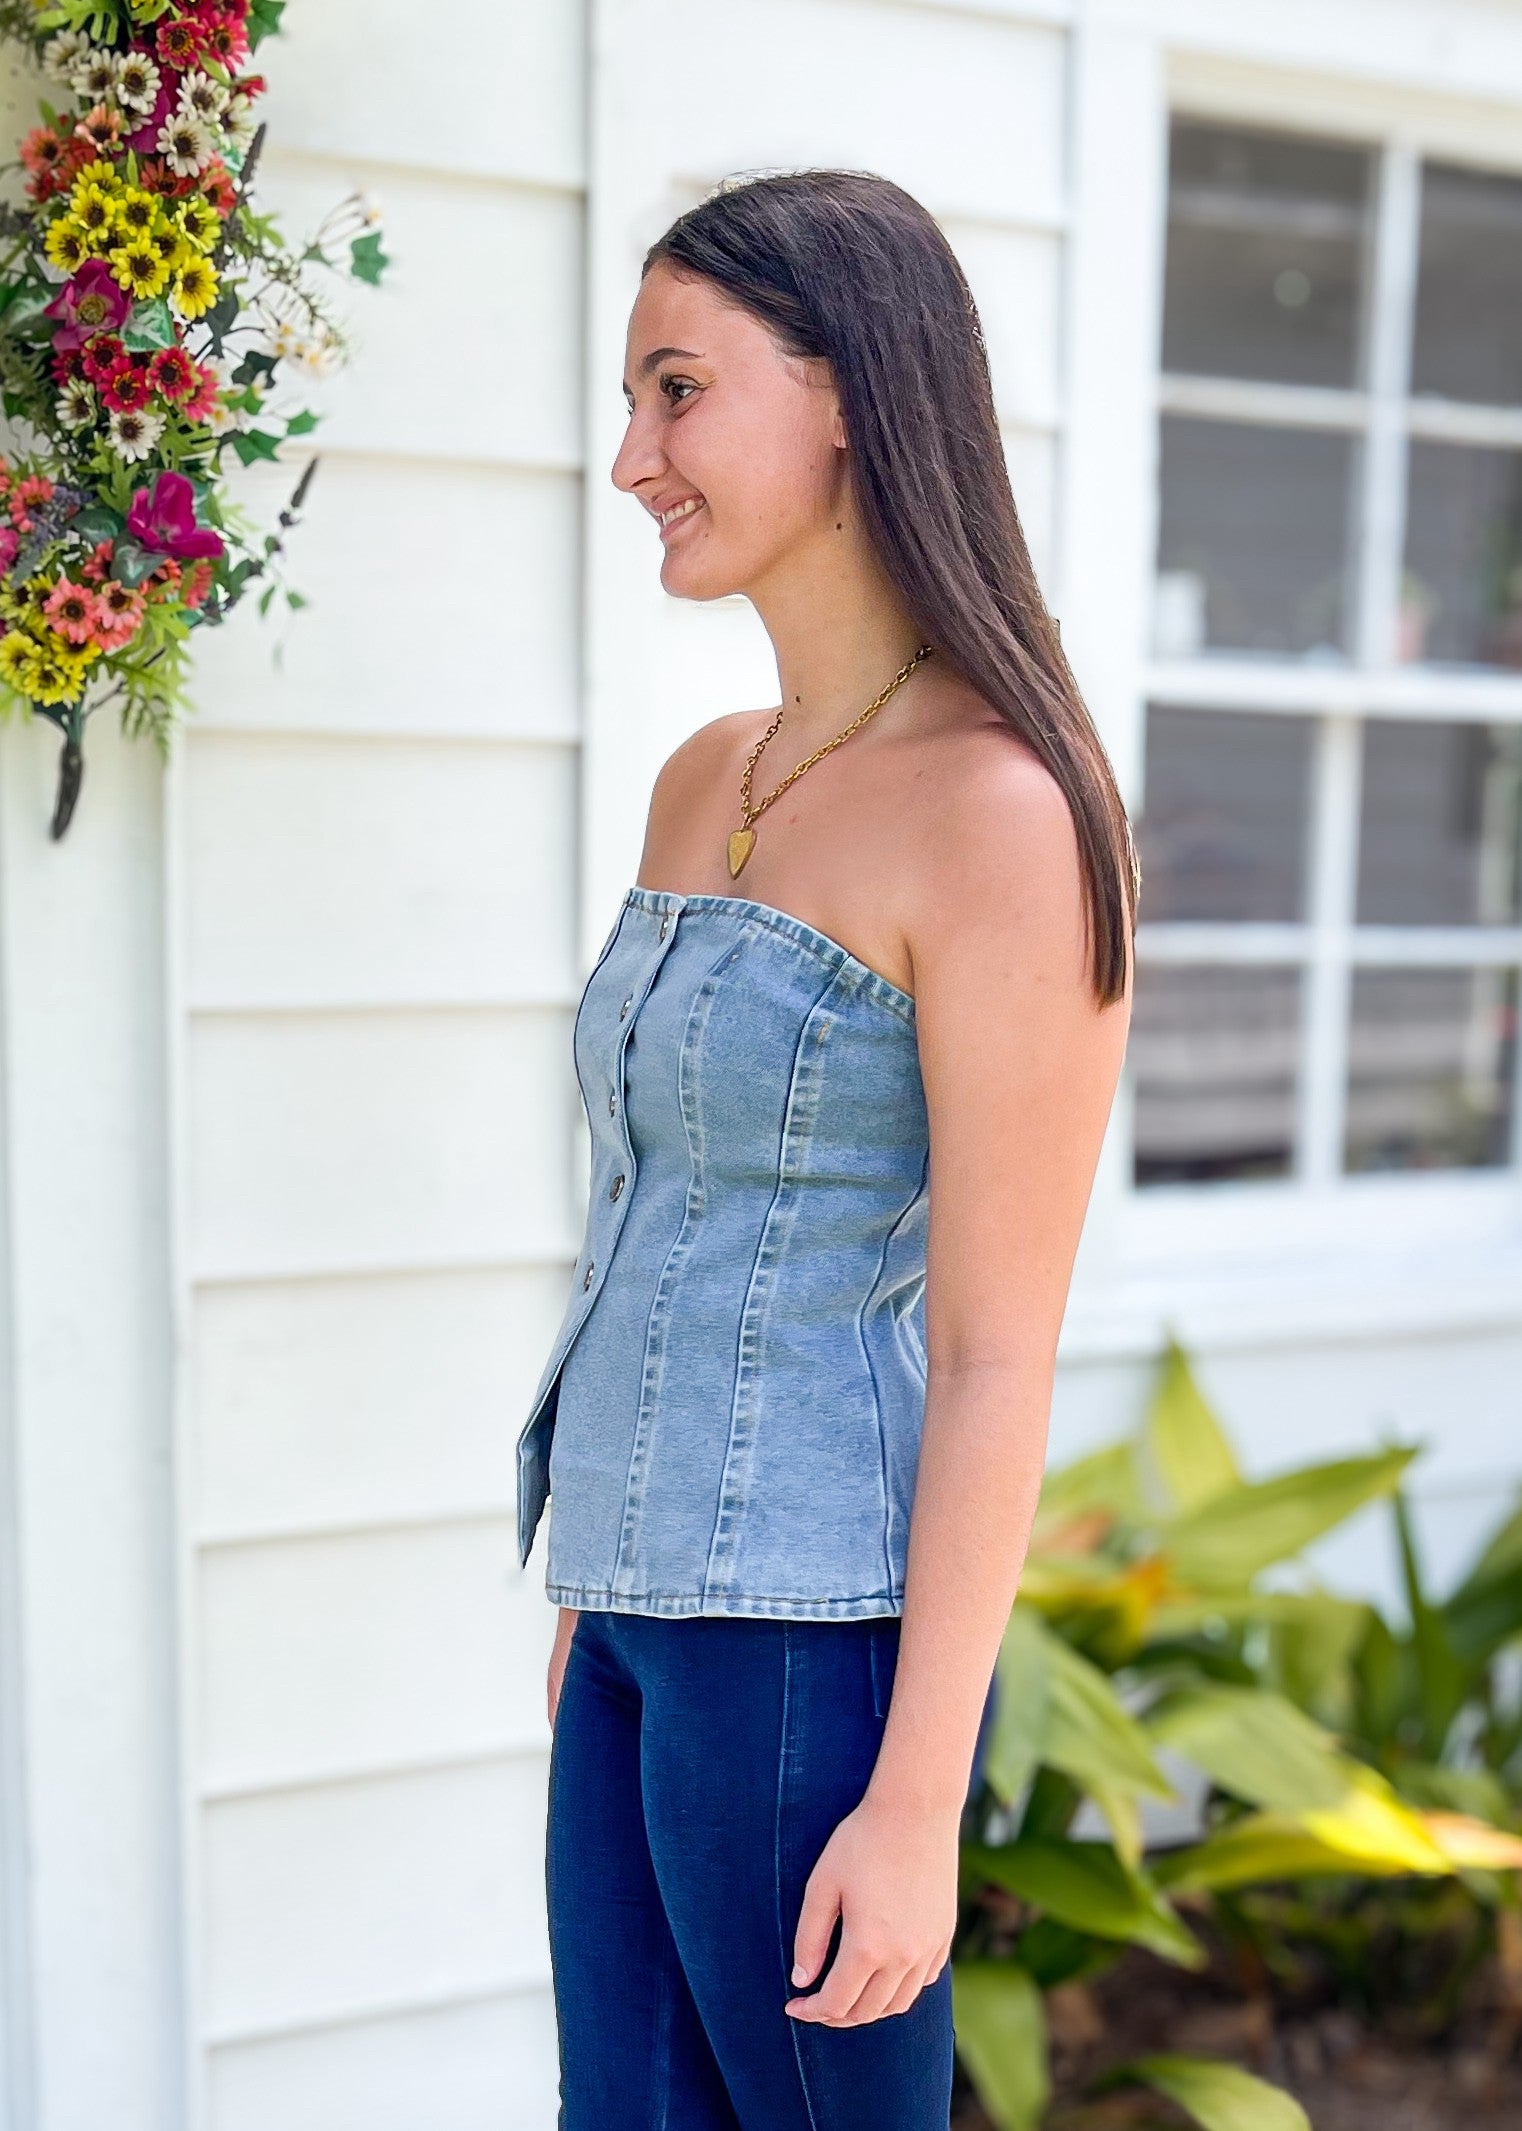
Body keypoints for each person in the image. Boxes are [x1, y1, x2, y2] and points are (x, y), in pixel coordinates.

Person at [513, 167, 1138, 2130]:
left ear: (848, 388)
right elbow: (652, 1209)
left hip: (808, 1653)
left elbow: (992, 1350)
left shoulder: (1000, 815)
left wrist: (916, 1800)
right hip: (627, 1617)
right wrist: (598, 1580)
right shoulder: (706, 777)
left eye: (678, 390)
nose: (635, 458)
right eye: (633, 400)